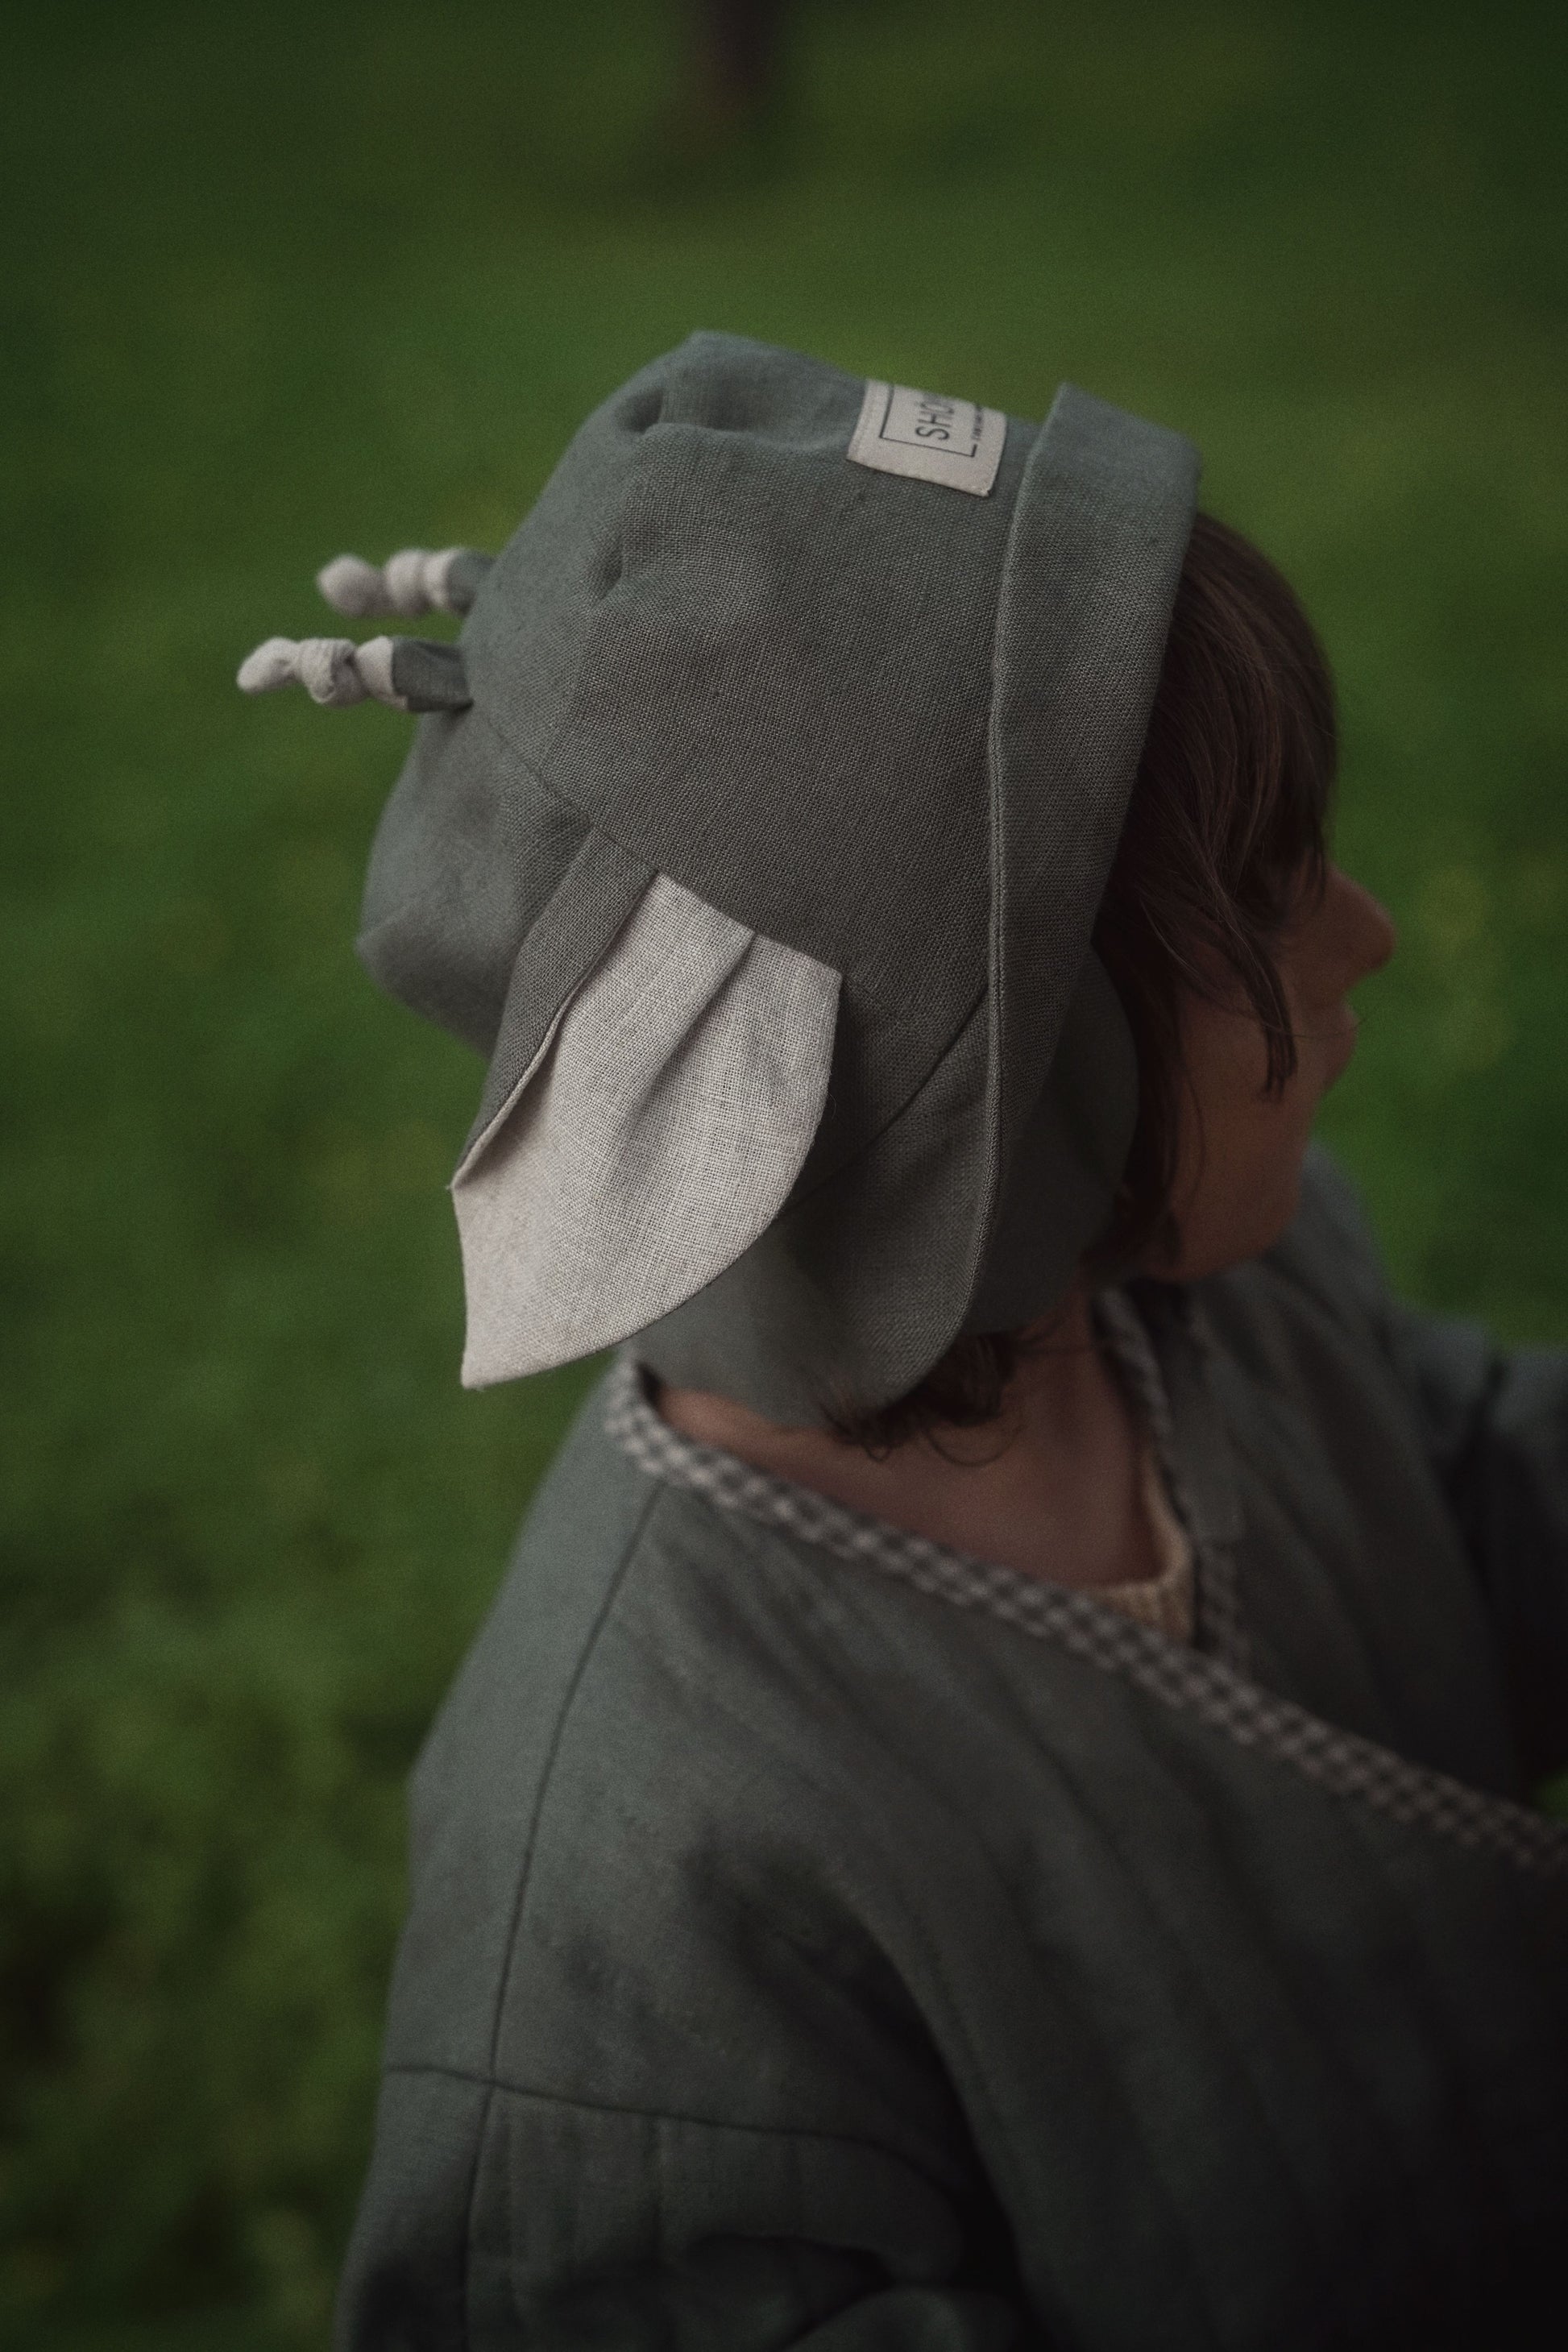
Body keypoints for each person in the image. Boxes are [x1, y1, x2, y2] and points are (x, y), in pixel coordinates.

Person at [239, 334, 1568, 2350]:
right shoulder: (638, 1884)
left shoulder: (1232, 1295)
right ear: (983, 1118)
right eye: (1264, 895)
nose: (1367, 929)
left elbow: (1470, 1503)